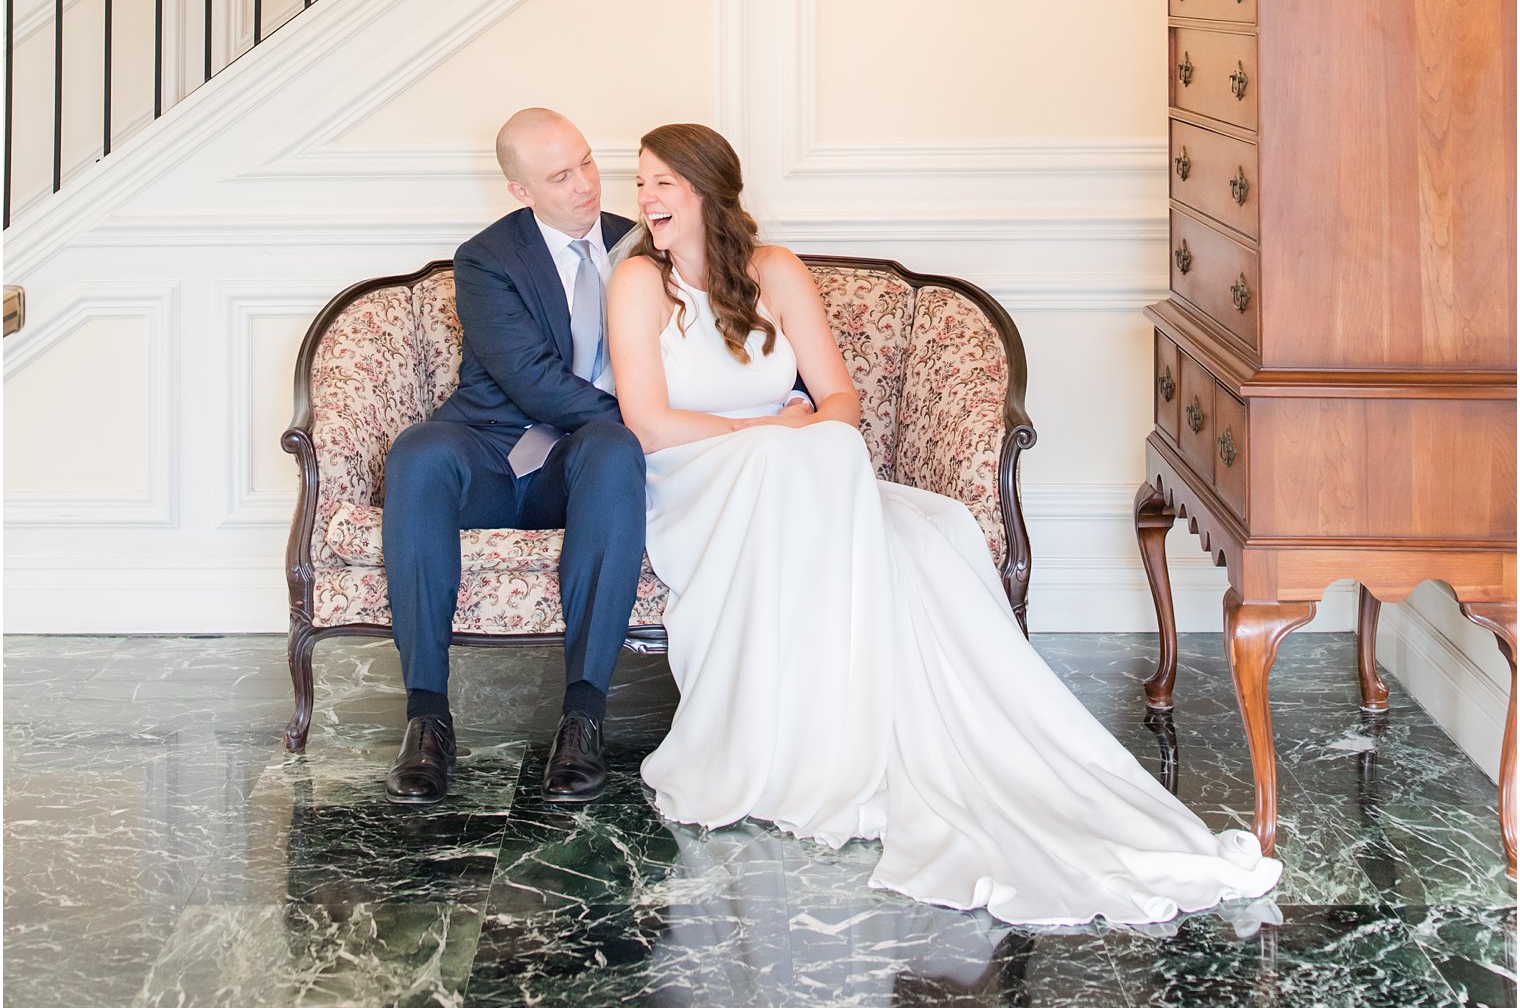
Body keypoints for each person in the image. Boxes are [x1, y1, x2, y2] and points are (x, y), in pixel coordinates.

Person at [608, 122, 1283, 929]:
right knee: (813, 457)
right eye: (640, 183)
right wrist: (772, 435)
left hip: (796, 466)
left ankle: (902, 738)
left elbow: (842, 403)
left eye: (662, 183)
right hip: (698, 476)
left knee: (923, 530)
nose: (645, 199)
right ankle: (787, 740)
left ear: (707, 190)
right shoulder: (639, 283)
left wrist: (799, 435)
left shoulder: (775, 271)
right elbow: (647, 422)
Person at [381, 108, 646, 807]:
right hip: (494, 452)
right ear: (519, 189)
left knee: (617, 449)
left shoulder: (644, 244)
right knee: (417, 452)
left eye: (588, 161)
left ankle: (583, 717)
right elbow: (531, 379)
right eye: (560, 176)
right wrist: (655, 422)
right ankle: (427, 718)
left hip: (581, 464)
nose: (586, 185)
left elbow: (723, 331)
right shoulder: (487, 258)